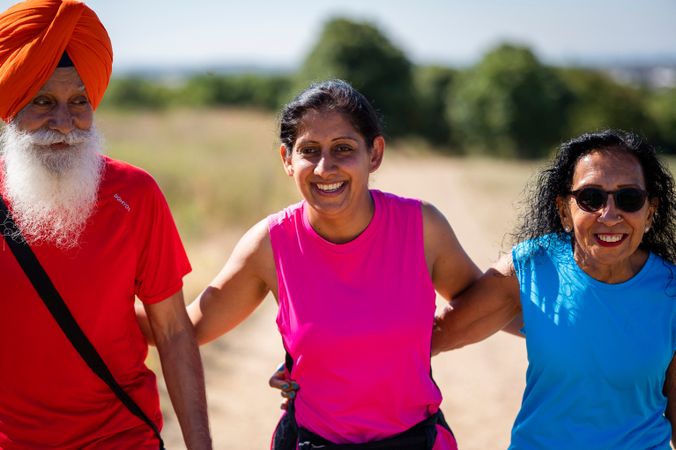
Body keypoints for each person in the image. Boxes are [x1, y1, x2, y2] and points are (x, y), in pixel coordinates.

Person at [187, 79, 482, 449]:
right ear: (287, 160)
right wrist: (101, 307)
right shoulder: (270, 243)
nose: (325, 168)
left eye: (343, 148)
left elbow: (485, 301)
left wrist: (419, 343)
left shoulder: (422, 227)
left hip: (416, 441)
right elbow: (183, 329)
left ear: (374, 154)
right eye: (309, 150)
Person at [0, 1, 212, 448]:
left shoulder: (135, 194)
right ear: (12, 104)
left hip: (121, 436)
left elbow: (173, 331)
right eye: (43, 101)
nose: (64, 123)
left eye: (79, 101)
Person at [432, 129, 676, 448]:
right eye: (591, 198)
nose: (610, 215)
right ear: (564, 208)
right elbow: (433, 338)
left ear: (650, 210)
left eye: (629, 198)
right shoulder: (531, 268)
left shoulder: (670, 291)